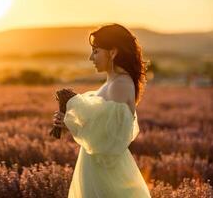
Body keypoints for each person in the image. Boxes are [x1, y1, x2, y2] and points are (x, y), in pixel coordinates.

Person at [53, 23, 151, 198]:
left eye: (96, 51)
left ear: (113, 52)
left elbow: (109, 142)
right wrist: (70, 121)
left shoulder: (120, 84)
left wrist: (73, 124)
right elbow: (101, 128)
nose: (91, 57)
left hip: (107, 177)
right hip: (98, 171)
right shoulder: (112, 83)